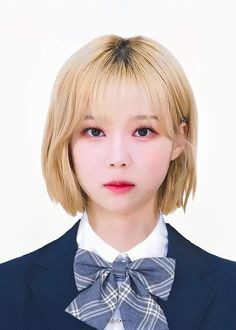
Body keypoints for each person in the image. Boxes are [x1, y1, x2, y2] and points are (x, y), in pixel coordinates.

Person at [0, 35, 235, 330]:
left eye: (143, 131)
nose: (118, 158)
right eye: (94, 131)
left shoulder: (231, 291)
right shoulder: (7, 291)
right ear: (65, 141)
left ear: (179, 139)